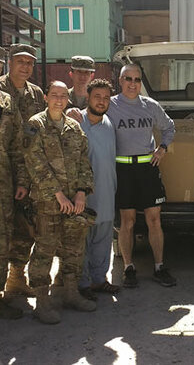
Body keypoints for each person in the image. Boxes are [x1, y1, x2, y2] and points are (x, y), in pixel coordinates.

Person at [23, 81, 95, 324]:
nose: (59, 100)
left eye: (64, 96)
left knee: (74, 250)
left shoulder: (74, 127)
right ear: (46, 97)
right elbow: (35, 164)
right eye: (54, 95)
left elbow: (85, 162)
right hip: (47, 202)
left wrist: (82, 192)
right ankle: (41, 302)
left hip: (74, 203)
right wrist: (59, 195)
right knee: (44, 250)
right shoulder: (35, 125)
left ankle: (70, 294)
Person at [107, 64, 176, 288]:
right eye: (128, 79)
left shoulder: (150, 106)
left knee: (154, 220)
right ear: (120, 80)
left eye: (137, 79)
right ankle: (129, 268)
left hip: (147, 170)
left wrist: (163, 148)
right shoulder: (110, 105)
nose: (133, 83)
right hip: (123, 171)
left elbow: (169, 127)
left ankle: (159, 267)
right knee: (127, 222)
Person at [0, 44, 45, 297]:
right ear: (10, 62)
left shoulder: (36, 93)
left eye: (30, 63)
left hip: (29, 168)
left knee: (25, 225)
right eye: (21, 62)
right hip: (4, 168)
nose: (25, 67)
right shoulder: (0, 89)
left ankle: (17, 278)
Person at [78, 79, 119, 301]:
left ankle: (99, 279)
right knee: (81, 240)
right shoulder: (75, 121)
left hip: (106, 192)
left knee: (103, 238)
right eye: (97, 97)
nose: (101, 102)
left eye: (105, 98)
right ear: (88, 97)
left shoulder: (109, 124)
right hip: (83, 196)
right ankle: (82, 283)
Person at [0, 89, 28, 319]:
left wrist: (21, 180)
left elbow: (16, 146)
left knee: (3, 237)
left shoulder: (6, 101)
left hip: (4, 183)